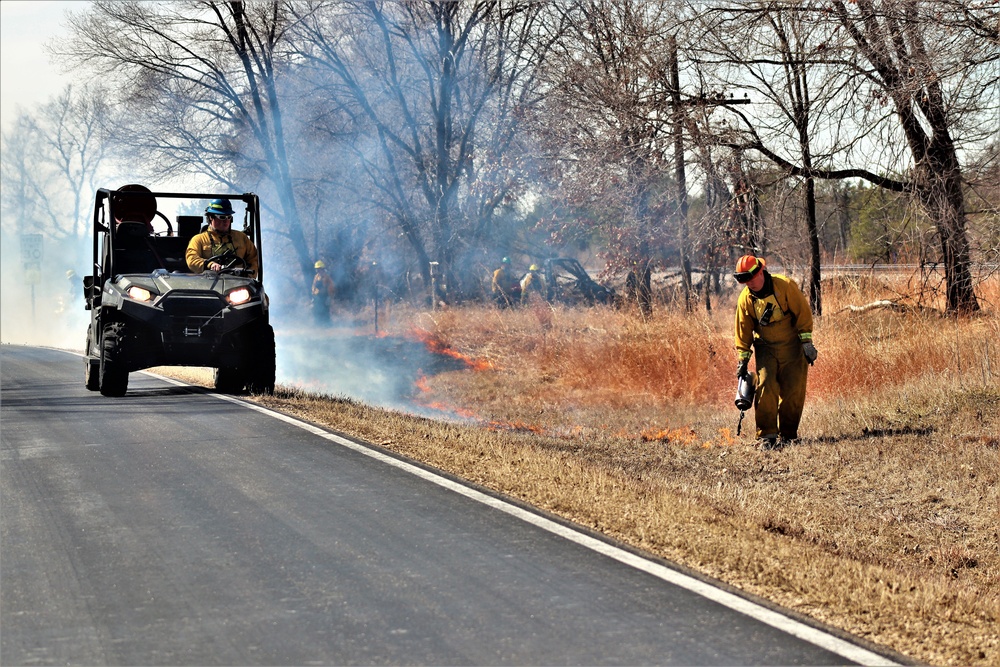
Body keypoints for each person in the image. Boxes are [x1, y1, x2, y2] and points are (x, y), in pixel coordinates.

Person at [733, 254, 817, 449]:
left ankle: (788, 436)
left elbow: (803, 314)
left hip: (792, 347)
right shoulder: (746, 299)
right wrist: (743, 359)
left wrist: (807, 344)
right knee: (765, 388)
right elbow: (743, 330)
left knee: (793, 391)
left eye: (751, 278)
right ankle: (767, 436)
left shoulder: (785, 286)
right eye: (744, 280)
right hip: (766, 348)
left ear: (761, 271)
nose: (749, 284)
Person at [185, 198, 259, 278]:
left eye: (229, 217)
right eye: (222, 217)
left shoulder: (242, 238)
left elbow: (254, 259)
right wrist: (210, 264)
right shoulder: (198, 240)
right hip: (208, 285)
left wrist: (248, 278)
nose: (226, 221)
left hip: (238, 285)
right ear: (211, 217)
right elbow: (192, 259)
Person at [311, 260, 336, 325]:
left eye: (319, 269)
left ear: (323, 269)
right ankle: (318, 325)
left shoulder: (327, 277)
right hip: (317, 297)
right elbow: (314, 286)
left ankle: (327, 325)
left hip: (325, 297)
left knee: (325, 312)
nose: (318, 271)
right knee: (317, 311)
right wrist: (313, 296)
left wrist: (329, 297)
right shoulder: (316, 277)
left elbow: (332, 287)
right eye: (317, 269)